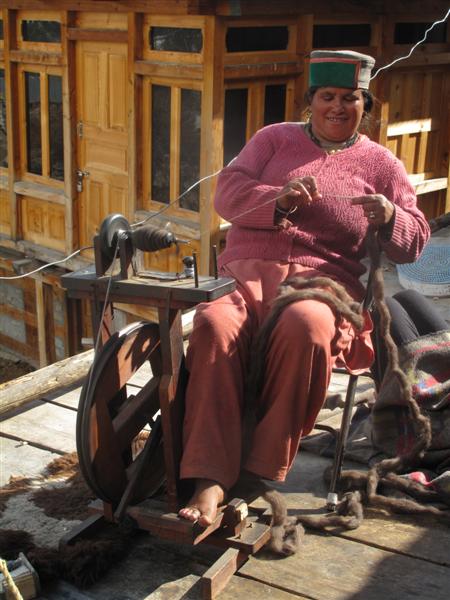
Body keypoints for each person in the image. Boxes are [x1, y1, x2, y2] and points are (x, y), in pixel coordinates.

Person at [178, 50, 430, 526]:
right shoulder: (272, 140)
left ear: (365, 105)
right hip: (249, 272)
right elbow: (227, 193)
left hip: (324, 284)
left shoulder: (382, 164)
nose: (338, 106)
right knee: (214, 322)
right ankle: (207, 475)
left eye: (351, 98)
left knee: (306, 325)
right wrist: (280, 197)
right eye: (327, 96)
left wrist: (392, 216)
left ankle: (259, 470)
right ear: (309, 101)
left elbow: (414, 241)